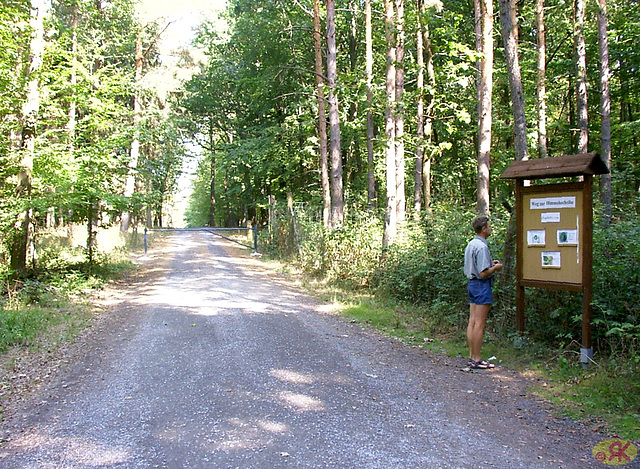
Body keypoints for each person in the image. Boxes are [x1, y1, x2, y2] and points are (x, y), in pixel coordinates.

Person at [464, 216, 503, 370]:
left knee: (472, 321)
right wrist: (495, 268)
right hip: (481, 285)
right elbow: (483, 273)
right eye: (489, 226)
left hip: (472, 285)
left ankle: (472, 357)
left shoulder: (471, 244)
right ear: (483, 229)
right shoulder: (481, 247)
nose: (490, 228)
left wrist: (489, 264)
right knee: (479, 323)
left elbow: (476, 266)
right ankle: (477, 359)